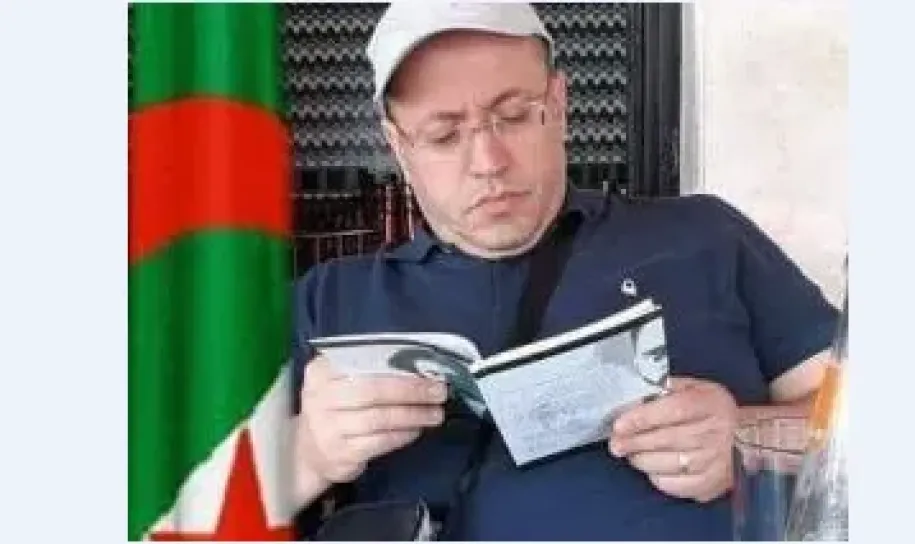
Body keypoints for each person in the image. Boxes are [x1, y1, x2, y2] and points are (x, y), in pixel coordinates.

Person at [292, 3, 840, 540]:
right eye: (443, 135)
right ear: (398, 146)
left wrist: (750, 439)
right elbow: (235, 501)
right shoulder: (333, 299)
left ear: (558, 104)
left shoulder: (705, 237)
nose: (488, 162)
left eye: (513, 116)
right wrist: (307, 455)